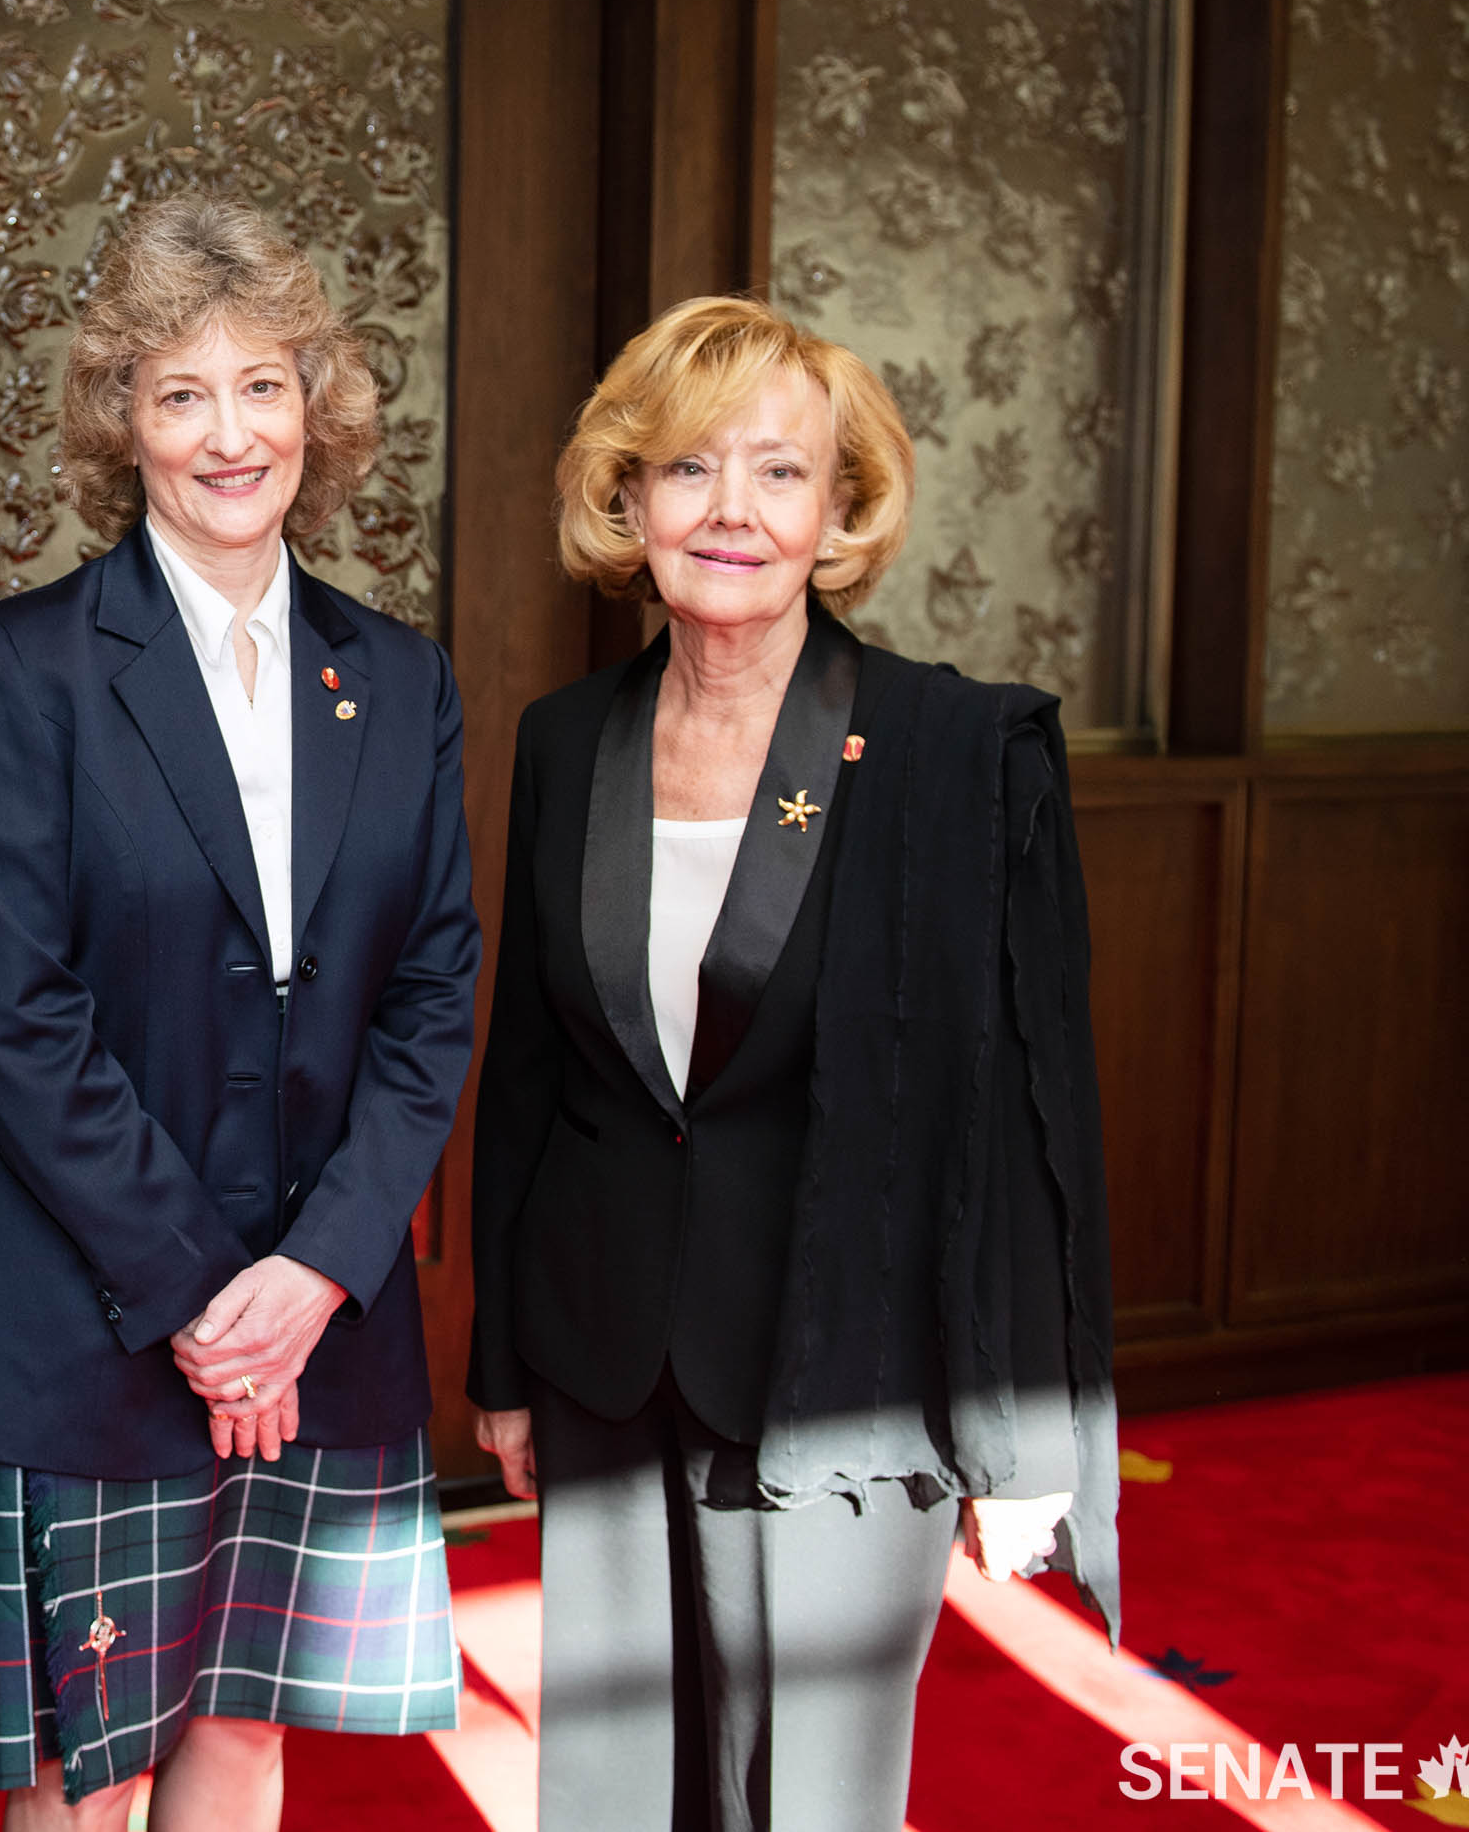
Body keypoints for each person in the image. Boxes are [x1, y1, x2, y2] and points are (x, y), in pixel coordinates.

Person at [0, 198, 481, 1831]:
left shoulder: (401, 679)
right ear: (120, 423)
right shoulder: (22, 669)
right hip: (93, 1313)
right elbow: (16, 1014)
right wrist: (214, 1303)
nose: (230, 434)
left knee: (245, 1733)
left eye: (263, 386)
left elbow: (432, 1001)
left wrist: (314, 1276)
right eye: (181, 393)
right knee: (88, 1768)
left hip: (319, 1315)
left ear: (317, 408)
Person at [466, 295, 1120, 1832]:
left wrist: (1027, 1429)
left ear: (842, 509)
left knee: (811, 1797)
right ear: (628, 503)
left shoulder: (961, 755)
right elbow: (529, 1076)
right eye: (690, 470)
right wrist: (503, 1359)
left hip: (849, 1362)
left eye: (779, 472)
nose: (733, 513)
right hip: (609, 1350)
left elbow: (1029, 1112)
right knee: (619, 1786)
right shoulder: (568, 738)